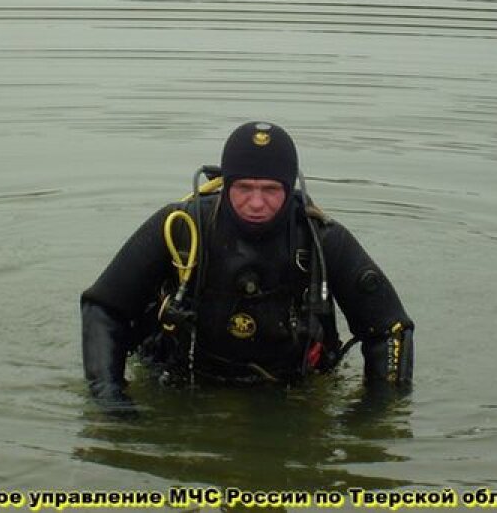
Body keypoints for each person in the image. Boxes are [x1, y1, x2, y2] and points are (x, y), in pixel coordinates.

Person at [80, 121, 413, 408]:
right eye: (244, 188)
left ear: (289, 187)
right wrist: (110, 398)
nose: (256, 203)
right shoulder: (182, 227)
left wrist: (373, 415)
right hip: (181, 384)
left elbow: (390, 329)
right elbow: (104, 307)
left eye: (270, 189)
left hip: (291, 392)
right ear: (227, 186)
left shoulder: (321, 240)